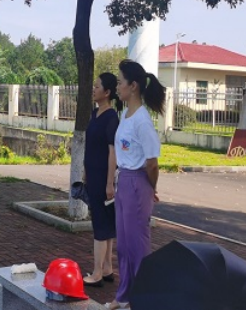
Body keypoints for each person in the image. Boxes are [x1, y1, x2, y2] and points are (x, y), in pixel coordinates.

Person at [105, 59, 165, 310]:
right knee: (124, 245)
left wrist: (151, 188)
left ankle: (142, 299)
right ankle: (124, 296)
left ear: (134, 86)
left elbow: (152, 164)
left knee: (137, 246)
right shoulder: (126, 115)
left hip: (138, 183)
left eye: (120, 82)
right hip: (125, 182)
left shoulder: (142, 121)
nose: (117, 87)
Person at [83, 73, 121, 287]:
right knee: (104, 223)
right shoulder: (94, 113)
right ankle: (107, 268)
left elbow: (112, 152)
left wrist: (109, 183)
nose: (93, 89)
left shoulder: (111, 118)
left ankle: (97, 273)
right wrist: (85, 171)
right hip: (92, 175)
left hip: (102, 178)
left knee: (100, 224)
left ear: (107, 92)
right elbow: (90, 145)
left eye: (97, 86)